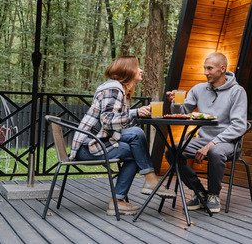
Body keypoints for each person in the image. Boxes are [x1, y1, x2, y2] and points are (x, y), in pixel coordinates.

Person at [71, 55, 175, 216]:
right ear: (128, 70)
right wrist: (134, 113)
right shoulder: (113, 89)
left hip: (95, 142)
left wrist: (135, 112)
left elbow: (111, 121)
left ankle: (128, 194)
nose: (141, 70)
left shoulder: (115, 88)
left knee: (136, 141)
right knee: (136, 142)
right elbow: (107, 121)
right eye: (137, 67)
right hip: (88, 147)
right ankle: (147, 181)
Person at [165, 52, 248, 214]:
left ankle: (214, 195)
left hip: (228, 143)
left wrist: (212, 143)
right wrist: (176, 102)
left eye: (210, 68)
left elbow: (239, 125)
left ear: (222, 69)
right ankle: (199, 192)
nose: (206, 72)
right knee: (172, 151)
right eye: (205, 68)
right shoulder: (198, 89)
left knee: (215, 151)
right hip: (202, 139)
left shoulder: (237, 92)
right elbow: (183, 113)